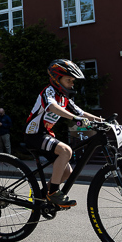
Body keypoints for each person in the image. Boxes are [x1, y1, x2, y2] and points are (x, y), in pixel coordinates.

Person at [23, 60, 103, 208]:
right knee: (66, 150)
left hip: (46, 135)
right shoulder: (49, 91)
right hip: (34, 134)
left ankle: (40, 196)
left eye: (73, 81)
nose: (72, 84)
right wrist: (74, 118)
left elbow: (81, 113)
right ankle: (53, 193)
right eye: (69, 80)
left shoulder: (64, 98)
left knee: (67, 172)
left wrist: (102, 121)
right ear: (56, 78)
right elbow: (52, 107)